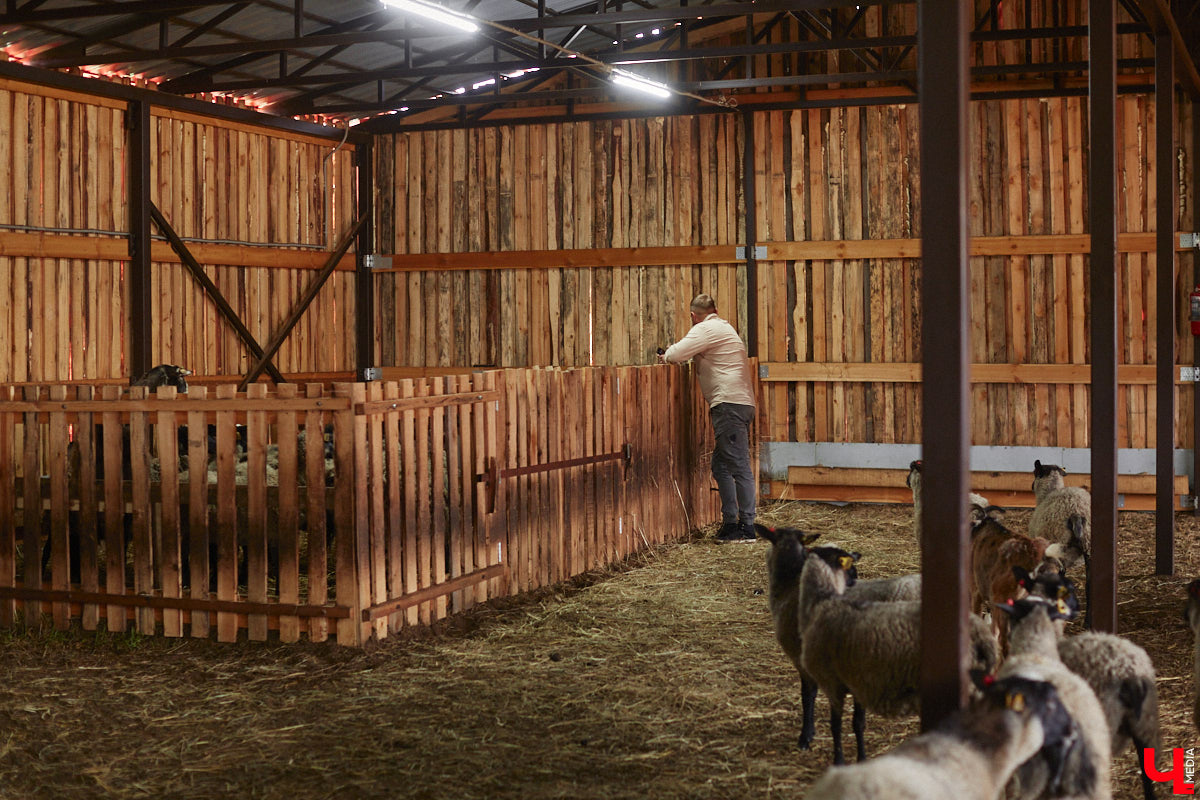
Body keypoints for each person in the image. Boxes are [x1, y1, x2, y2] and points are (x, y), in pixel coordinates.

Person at [659, 294, 757, 542]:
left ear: (693, 315)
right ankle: (731, 524)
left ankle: (747, 527)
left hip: (729, 405)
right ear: (715, 309)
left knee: (738, 465)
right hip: (740, 403)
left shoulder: (705, 329)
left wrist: (666, 355)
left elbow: (676, 354)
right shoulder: (725, 327)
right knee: (722, 465)